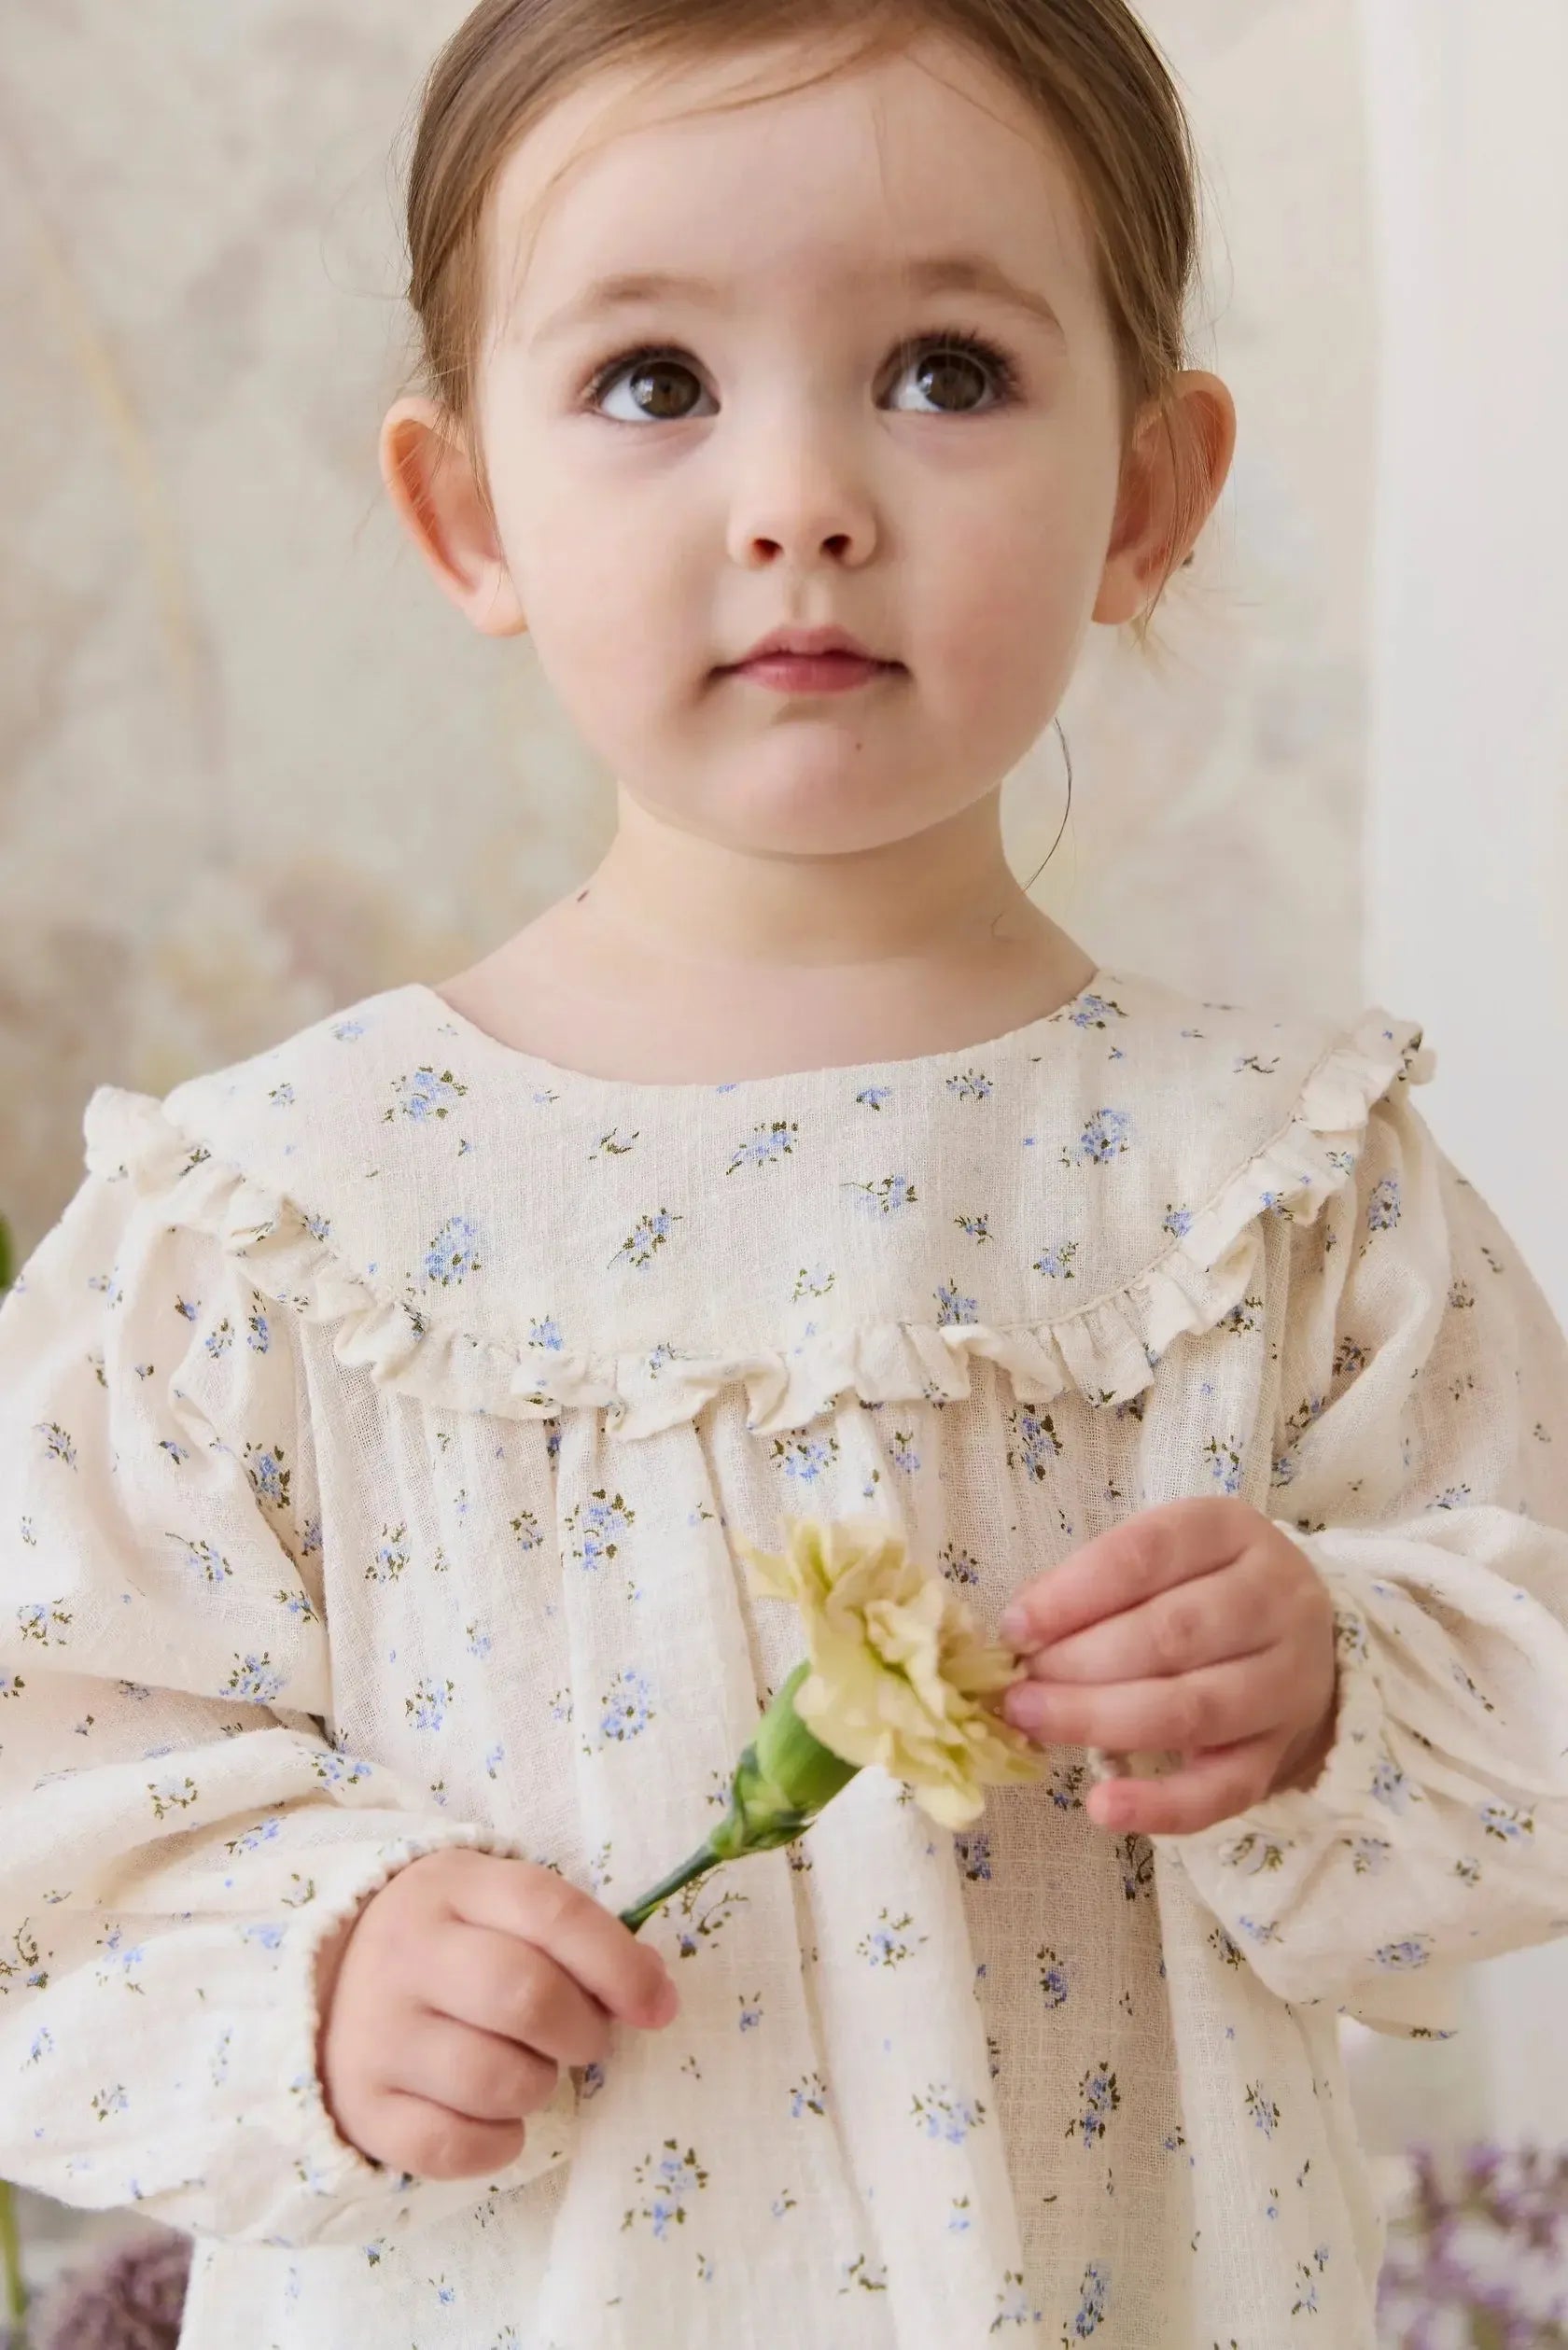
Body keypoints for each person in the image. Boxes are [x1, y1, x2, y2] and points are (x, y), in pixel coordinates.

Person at [3, 1, 1567, 2343]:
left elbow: (1533, 1690)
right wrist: (321, 1965)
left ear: (1150, 495)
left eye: (946, 370)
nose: (802, 497)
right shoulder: (279, 1224)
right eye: (654, 380)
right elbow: (47, 1789)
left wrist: (1336, 1674)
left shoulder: (1280, 1186)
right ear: (466, 512)